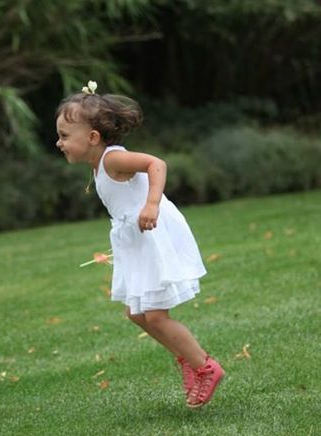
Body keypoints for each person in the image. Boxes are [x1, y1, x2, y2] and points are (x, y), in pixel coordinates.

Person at [55, 81, 224, 408]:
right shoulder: (99, 166)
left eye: (64, 136)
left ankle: (205, 367)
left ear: (92, 138)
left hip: (152, 232)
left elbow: (156, 164)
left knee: (156, 316)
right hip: (135, 238)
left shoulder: (113, 160)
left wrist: (151, 204)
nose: (58, 142)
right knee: (137, 313)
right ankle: (188, 361)